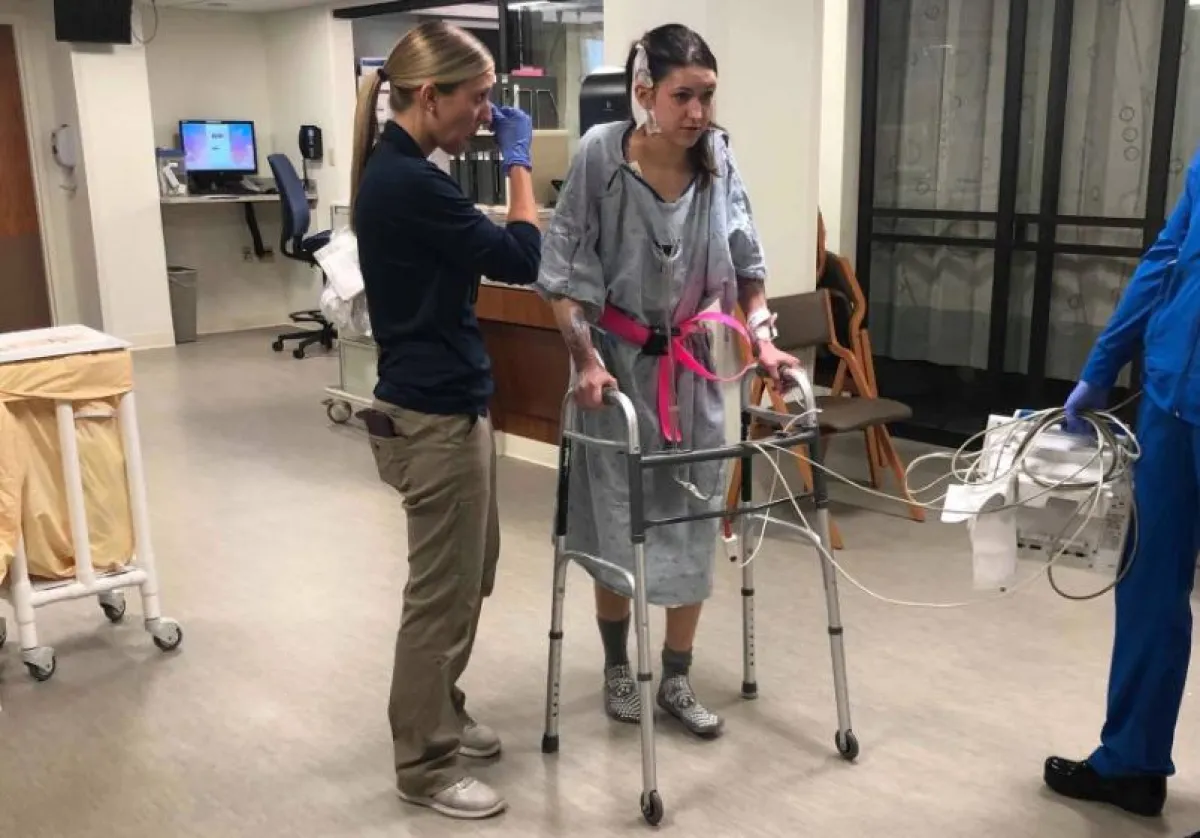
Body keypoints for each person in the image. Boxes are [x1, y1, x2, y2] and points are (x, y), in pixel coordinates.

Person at [535, 23, 798, 738]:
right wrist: (584, 359)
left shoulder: (718, 158)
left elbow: (747, 265)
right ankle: (618, 666)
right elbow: (561, 276)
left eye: (707, 95)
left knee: (692, 522)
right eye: (683, 96)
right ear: (643, 92)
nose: (697, 112)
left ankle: (676, 677)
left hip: (694, 374)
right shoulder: (601, 156)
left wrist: (764, 342)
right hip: (615, 374)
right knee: (615, 521)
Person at [350, 20, 540, 821]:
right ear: (431, 96)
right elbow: (522, 259)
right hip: (432, 418)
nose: (487, 115)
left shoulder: (408, 171)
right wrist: (520, 162)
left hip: (448, 404)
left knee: (470, 576)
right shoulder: (406, 182)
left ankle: (443, 710)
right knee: (440, 596)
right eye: (480, 98)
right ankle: (425, 766)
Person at [1043, 150, 1200, 818]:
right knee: (1146, 583)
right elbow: (1166, 258)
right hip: (1171, 399)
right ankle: (1131, 763)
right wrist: (1102, 364)